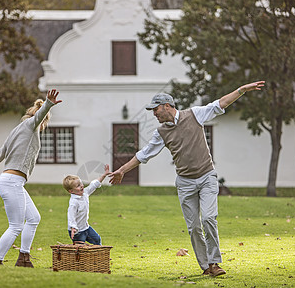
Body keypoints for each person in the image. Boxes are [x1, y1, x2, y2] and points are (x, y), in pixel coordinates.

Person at [109, 81, 265, 276]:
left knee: (208, 218)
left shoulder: (195, 114)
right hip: (185, 183)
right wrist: (122, 170)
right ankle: (207, 267)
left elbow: (220, 104)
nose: (154, 114)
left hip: (207, 176)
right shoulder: (161, 133)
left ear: (167, 106)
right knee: (193, 227)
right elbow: (144, 154)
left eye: (155, 109)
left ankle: (215, 263)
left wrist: (242, 89)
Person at [0, 89, 62, 267]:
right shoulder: (30, 126)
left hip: (12, 182)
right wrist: (48, 104)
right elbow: (39, 117)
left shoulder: (16, 131)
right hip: (12, 182)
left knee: (34, 218)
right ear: (42, 120)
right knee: (16, 226)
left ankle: (23, 258)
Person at [63, 164, 110, 245]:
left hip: (86, 228)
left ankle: (98, 256)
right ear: (71, 191)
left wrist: (104, 175)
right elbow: (71, 215)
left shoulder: (85, 193)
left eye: (81, 183)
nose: (81, 186)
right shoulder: (74, 202)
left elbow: (94, 184)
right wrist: (73, 227)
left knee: (97, 239)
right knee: (80, 248)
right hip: (77, 231)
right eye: (78, 186)